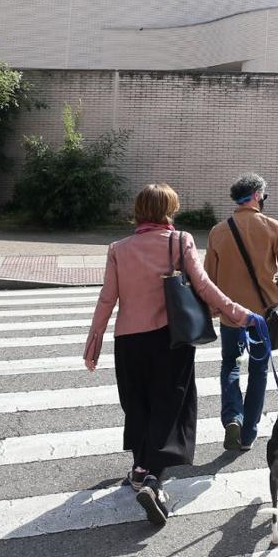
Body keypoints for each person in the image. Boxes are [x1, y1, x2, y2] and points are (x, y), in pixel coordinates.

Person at [84, 182, 258, 527]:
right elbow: (204, 286)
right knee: (170, 404)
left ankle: (139, 467)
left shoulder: (118, 248)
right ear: (169, 210)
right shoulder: (180, 241)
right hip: (170, 340)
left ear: (139, 210)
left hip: (129, 340)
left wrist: (94, 342)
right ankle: (152, 477)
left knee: (138, 403)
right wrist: (240, 313)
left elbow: (108, 298)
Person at [205, 172, 278, 453]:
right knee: (258, 370)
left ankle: (233, 416)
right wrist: (276, 292)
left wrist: (214, 309)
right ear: (257, 195)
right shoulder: (272, 227)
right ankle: (248, 434)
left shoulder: (218, 231)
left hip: (230, 312)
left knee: (230, 363)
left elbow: (209, 276)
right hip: (262, 314)